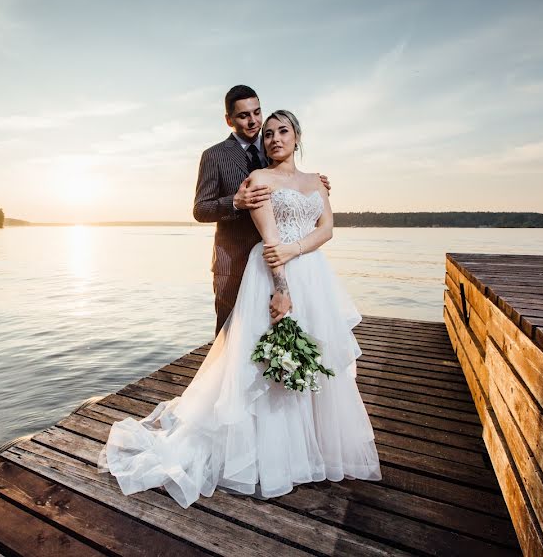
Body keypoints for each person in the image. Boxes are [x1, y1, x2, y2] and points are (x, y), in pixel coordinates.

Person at [99, 109, 381, 508]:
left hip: (314, 274)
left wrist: (298, 247)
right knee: (269, 364)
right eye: (268, 134)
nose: (274, 138)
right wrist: (281, 288)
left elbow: (326, 229)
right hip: (273, 273)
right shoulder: (260, 180)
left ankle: (318, 446)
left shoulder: (317, 181)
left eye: (283, 131)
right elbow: (269, 240)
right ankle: (272, 455)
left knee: (316, 354)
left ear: (298, 137)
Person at [191, 85, 329, 335]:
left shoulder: (273, 146)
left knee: (281, 331)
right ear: (228, 119)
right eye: (244, 115)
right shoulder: (214, 156)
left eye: (257, 112)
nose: (253, 120)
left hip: (281, 260)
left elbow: (290, 184)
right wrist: (235, 202)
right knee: (230, 338)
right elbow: (200, 209)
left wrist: (314, 186)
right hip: (233, 263)